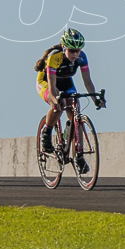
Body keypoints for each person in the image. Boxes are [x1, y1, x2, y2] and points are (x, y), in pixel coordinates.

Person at [35, 28, 104, 174]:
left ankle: (78, 153)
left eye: (78, 50)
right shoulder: (55, 56)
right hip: (46, 82)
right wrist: (55, 100)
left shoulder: (82, 57)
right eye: (72, 50)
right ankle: (46, 133)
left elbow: (88, 82)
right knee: (59, 105)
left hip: (66, 82)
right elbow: (52, 86)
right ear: (65, 48)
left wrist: (95, 100)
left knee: (75, 109)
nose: (75, 54)